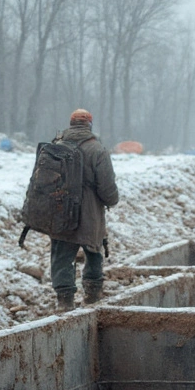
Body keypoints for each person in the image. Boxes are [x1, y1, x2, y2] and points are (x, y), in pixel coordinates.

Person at [49, 109, 118, 310]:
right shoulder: (98, 150)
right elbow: (107, 187)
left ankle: (64, 300)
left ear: (70, 125)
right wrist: (111, 201)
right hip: (90, 214)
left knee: (61, 255)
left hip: (61, 213)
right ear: (89, 125)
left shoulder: (55, 147)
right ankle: (92, 295)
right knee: (94, 251)